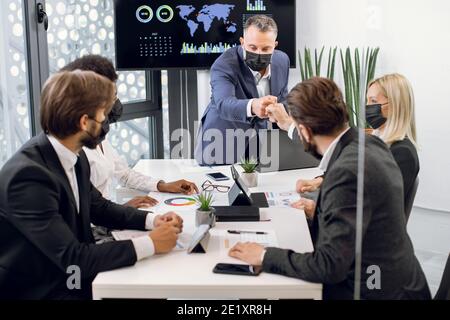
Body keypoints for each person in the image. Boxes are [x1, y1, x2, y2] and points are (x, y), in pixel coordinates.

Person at [228, 77, 431, 300]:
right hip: (399, 280)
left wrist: (265, 255)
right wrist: (322, 210)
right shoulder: (369, 144)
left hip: (374, 290)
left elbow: (329, 266)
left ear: (305, 132)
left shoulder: (347, 171)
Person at [0, 70, 183, 299]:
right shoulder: (28, 178)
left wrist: (153, 221)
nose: (105, 121)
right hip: (43, 289)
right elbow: (73, 258)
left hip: (71, 277)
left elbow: (99, 207)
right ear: (84, 122)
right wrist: (151, 244)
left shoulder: (73, 154)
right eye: (102, 114)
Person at [62, 55, 198, 209]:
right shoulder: (75, 151)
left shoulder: (99, 138)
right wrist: (123, 210)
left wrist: (162, 185)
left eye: (115, 97)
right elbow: (86, 213)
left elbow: (124, 174)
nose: (114, 106)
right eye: (111, 99)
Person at [293, 73, 419, 218]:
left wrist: (316, 209)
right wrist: (318, 181)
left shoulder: (402, 153)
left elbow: (376, 206)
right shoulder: (376, 139)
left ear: (396, 105)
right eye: (367, 101)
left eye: (373, 101)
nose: (367, 107)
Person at [194, 15, 294, 165]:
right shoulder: (224, 65)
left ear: (275, 45)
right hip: (221, 143)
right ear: (242, 42)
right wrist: (253, 106)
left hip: (262, 150)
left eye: (266, 48)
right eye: (252, 47)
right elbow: (224, 104)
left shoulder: (282, 61)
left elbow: (283, 98)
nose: (259, 53)